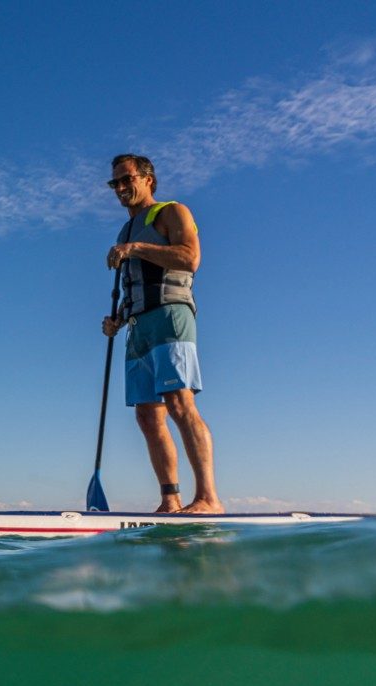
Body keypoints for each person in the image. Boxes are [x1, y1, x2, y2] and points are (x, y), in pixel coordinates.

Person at [102, 153, 223, 514]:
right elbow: (136, 285)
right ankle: (170, 498)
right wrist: (118, 319)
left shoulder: (171, 212)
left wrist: (135, 248)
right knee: (147, 416)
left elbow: (190, 259)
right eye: (115, 183)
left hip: (171, 317)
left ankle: (208, 498)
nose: (121, 188)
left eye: (128, 179)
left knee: (179, 402)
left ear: (148, 180)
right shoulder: (124, 231)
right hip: (138, 327)